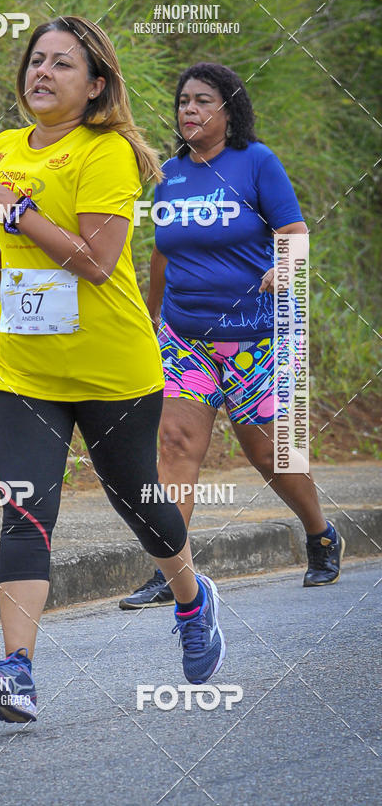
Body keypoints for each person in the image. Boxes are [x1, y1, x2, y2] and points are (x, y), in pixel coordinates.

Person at [0, 20, 225, 724]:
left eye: (62, 64)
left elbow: (97, 260)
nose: (42, 72)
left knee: (141, 505)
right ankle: (17, 669)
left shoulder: (106, 151)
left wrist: (17, 215)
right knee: (25, 510)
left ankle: (192, 598)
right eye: (35, 60)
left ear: (96, 85)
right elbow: (30, 254)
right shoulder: (4, 148)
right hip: (25, 366)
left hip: (112, 368)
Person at [119, 62, 344, 611]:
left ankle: (319, 533)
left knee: (270, 457)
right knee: (175, 445)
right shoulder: (169, 171)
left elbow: (294, 233)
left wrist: (282, 269)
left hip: (256, 337)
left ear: (228, 110)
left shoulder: (256, 163)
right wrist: (149, 317)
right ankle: (171, 568)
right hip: (184, 337)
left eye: (202, 101)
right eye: (182, 101)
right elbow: (162, 250)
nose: (189, 110)